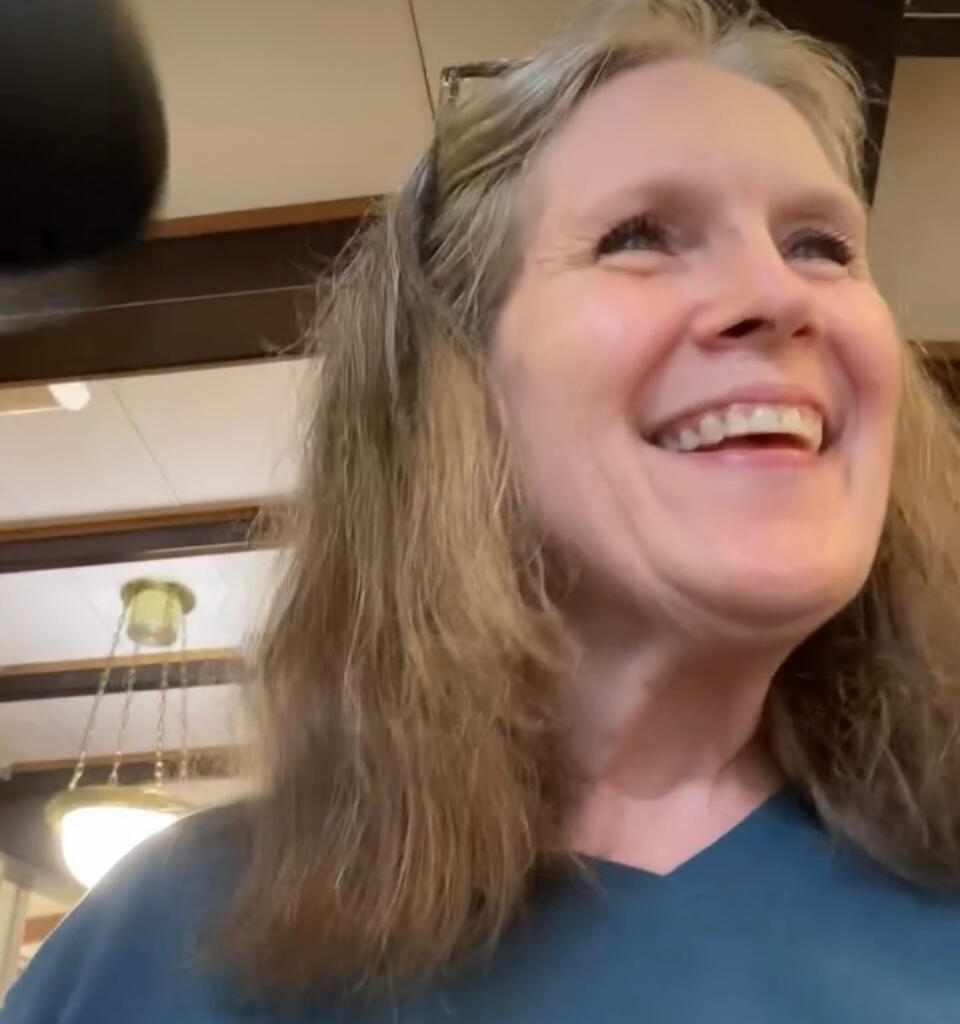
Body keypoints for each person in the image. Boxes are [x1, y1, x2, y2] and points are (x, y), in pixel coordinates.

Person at [5, 0, 960, 1020]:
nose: (781, 294)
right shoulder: (164, 943)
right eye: (640, 235)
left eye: (821, 245)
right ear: (458, 388)